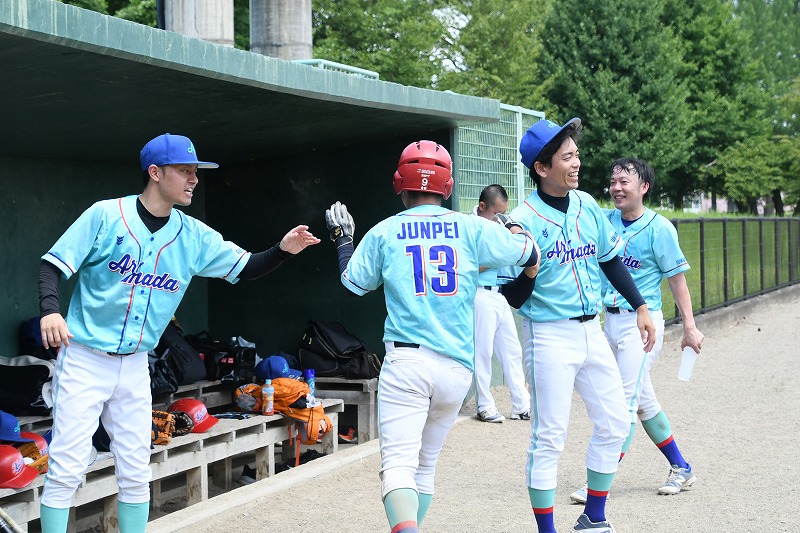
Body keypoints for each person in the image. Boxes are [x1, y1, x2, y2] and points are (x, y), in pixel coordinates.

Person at [38, 133, 320, 533]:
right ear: (155, 173)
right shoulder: (105, 215)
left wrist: (283, 249)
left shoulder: (193, 235)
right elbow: (52, 264)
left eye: (195, 171)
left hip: (135, 364)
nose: (194, 179)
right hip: (85, 357)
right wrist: (51, 311)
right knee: (67, 465)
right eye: (185, 170)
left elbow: (245, 267)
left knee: (136, 467)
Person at [324, 140, 540, 533]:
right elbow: (529, 253)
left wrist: (343, 240)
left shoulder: (385, 231)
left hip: (407, 363)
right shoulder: (472, 226)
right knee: (424, 467)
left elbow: (352, 284)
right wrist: (511, 225)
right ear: (448, 186)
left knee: (398, 468)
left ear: (399, 183)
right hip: (456, 370)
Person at [509, 118, 656, 533]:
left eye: (576, 154)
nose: (577, 162)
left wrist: (641, 306)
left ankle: (594, 516)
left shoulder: (587, 204)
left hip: (592, 331)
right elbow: (513, 297)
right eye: (567, 157)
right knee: (549, 437)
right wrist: (530, 270)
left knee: (616, 422)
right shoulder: (522, 219)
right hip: (548, 335)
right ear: (542, 167)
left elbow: (609, 260)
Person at [568, 158, 704, 505]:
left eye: (624, 181)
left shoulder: (660, 228)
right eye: (613, 181)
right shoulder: (605, 219)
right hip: (609, 322)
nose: (616, 187)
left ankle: (599, 483)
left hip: (642, 326)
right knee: (643, 403)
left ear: (644, 187)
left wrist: (689, 327)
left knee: (622, 405)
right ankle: (681, 467)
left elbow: (677, 280)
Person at [472, 184, 532, 423]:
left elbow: (523, 249)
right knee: (483, 352)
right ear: (482, 206)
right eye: (496, 213)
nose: (500, 218)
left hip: (500, 294)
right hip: (479, 293)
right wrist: (499, 256)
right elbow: (469, 264)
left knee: (512, 350)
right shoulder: (470, 225)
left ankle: (521, 405)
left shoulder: (501, 226)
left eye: (503, 213)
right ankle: (484, 405)